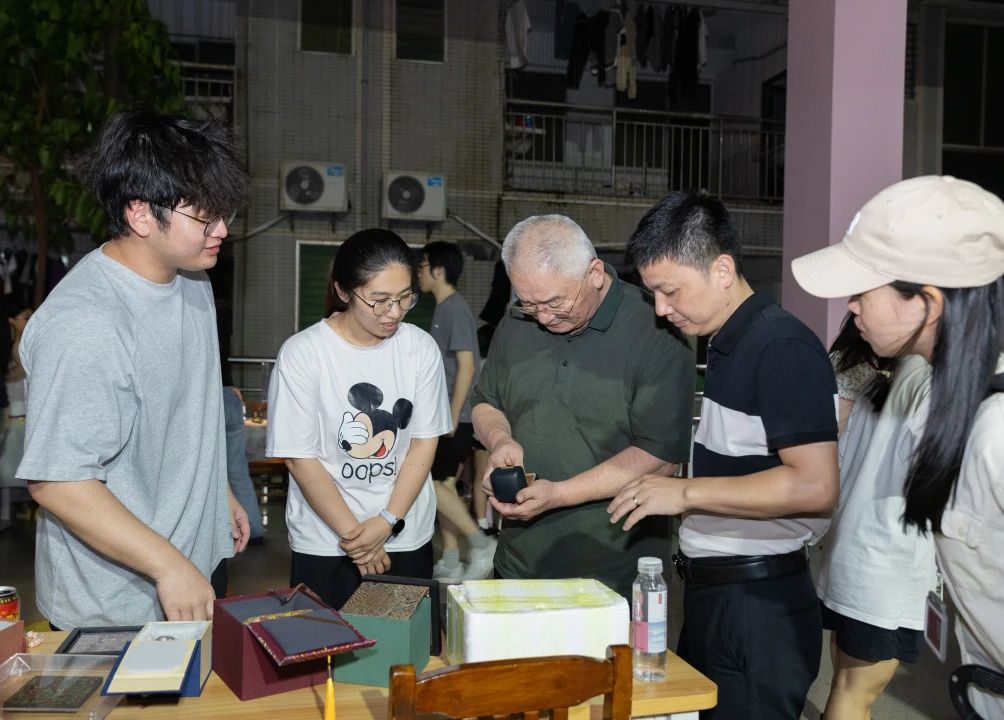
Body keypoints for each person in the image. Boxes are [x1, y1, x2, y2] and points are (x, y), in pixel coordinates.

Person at [609, 191, 839, 719]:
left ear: (723, 269)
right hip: (718, 593)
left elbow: (816, 485)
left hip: (757, 605)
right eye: (653, 294)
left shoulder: (780, 346)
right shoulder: (729, 342)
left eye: (670, 291)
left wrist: (683, 493)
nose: (662, 309)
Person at [18, 110, 251, 629]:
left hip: (195, 565)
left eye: (224, 212)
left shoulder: (192, 279)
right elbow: (58, 482)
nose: (223, 230)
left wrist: (218, 492)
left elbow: (183, 411)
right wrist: (168, 565)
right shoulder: (85, 324)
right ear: (141, 214)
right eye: (205, 218)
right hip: (119, 603)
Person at [791, 175, 1004, 719]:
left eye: (863, 291)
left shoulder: (994, 432)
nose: (851, 307)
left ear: (927, 303)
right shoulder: (946, 397)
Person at [471, 214, 694, 600]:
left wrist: (559, 494)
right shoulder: (518, 319)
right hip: (518, 563)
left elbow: (659, 457)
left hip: (612, 572)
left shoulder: (655, 330)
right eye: (530, 303)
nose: (543, 317)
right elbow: (485, 402)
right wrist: (499, 440)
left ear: (594, 274)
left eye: (554, 302)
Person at [267, 229, 451, 609]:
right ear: (343, 290)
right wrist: (358, 539)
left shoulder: (420, 348)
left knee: (404, 644)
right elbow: (299, 458)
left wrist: (387, 521)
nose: (394, 312)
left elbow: (423, 441)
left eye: (404, 297)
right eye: (379, 300)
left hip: (404, 534)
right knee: (328, 644)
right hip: (326, 541)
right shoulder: (304, 353)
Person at [817, 314, 935, 720]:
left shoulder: (869, 373)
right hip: (888, 564)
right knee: (853, 695)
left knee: (845, 687)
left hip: (851, 552)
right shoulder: (924, 378)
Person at [416, 241, 495, 582]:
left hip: (456, 416)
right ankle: (451, 558)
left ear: (438, 269)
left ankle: (481, 543)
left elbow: (467, 365)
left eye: (422, 266)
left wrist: (451, 414)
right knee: (445, 486)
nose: (418, 273)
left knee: (428, 483)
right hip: (449, 413)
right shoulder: (444, 308)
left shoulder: (454, 308)